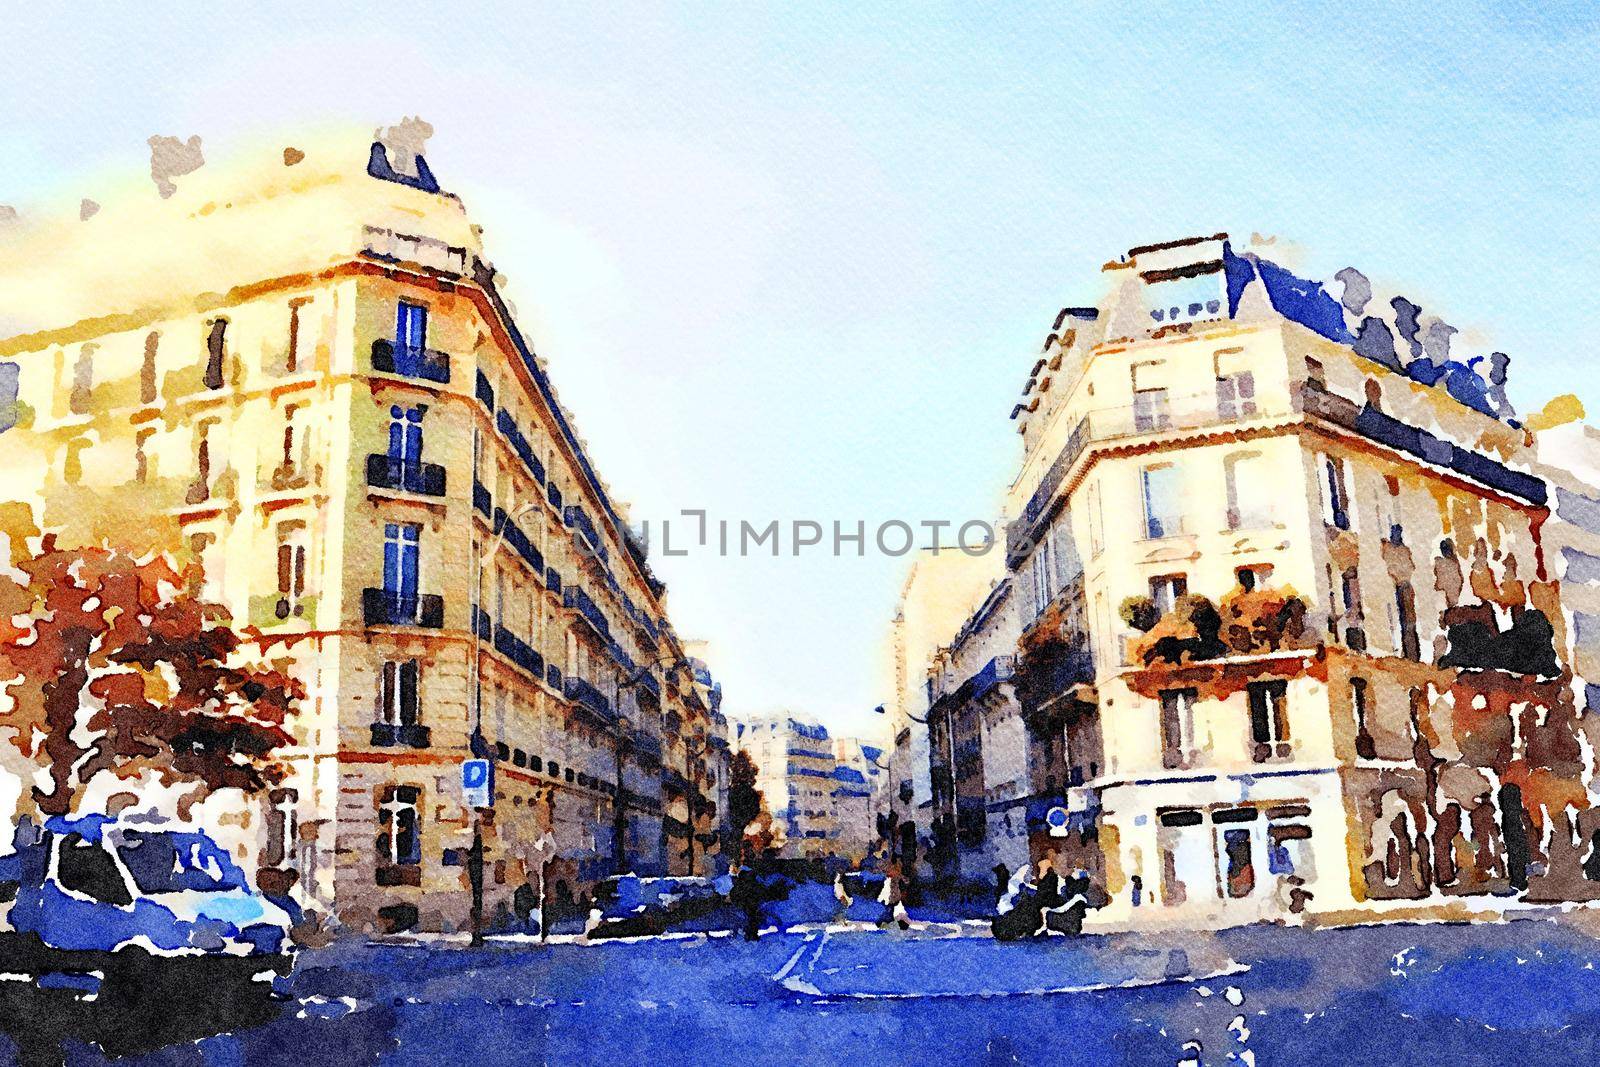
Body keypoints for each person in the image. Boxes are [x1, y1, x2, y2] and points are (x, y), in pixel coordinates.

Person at [731, 864, 762, 942]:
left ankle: (750, 934)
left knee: (750, 919)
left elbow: (734, 894)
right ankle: (751, 934)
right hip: (748, 905)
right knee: (751, 919)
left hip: (747, 905)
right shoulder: (751, 884)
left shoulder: (741, 884)